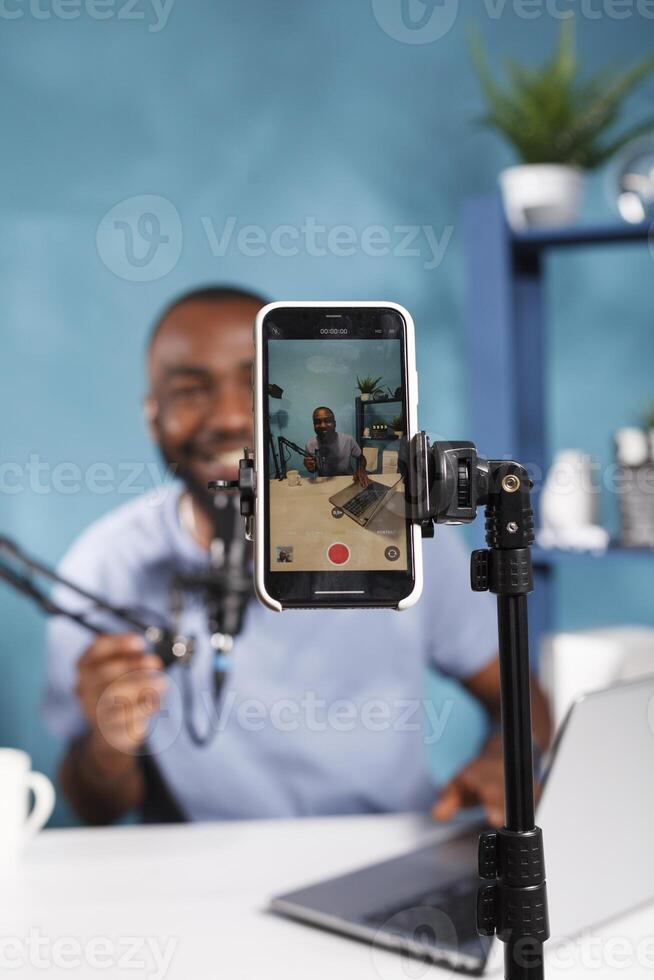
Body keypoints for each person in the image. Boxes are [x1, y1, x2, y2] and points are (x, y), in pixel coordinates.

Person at [42, 286, 551, 826]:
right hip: (202, 879)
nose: (230, 417)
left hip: (389, 853)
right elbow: (93, 806)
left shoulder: (398, 533)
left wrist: (507, 762)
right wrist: (107, 746)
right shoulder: (103, 565)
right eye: (191, 390)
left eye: (253, 384)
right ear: (152, 416)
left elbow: (523, 700)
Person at [304, 407, 370, 486]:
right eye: (317, 422)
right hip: (324, 484)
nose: (322, 425)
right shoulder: (310, 444)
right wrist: (309, 467)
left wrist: (361, 469)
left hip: (348, 481)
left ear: (334, 424)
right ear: (314, 425)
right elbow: (313, 470)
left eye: (327, 421)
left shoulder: (348, 440)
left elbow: (361, 458)